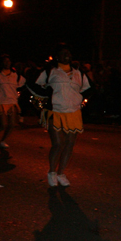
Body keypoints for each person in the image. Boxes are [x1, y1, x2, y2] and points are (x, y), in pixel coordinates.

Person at [29, 45, 91, 187]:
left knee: (69, 144)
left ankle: (61, 173)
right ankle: (51, 172)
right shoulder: (50, 71)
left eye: (68, 53)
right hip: (55, 111)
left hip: (73, 111)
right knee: (57, 144)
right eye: (63, 53)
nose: (66, 55)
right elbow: (33, 84)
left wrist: (79, 97)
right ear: (57, 56)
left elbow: (89, 88)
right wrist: (47, 95)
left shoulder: (78, 73)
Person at [0, 55, 26, 149]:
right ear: (1, 63)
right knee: (3, 124)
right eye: (5, 61)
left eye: (9, 61)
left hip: (12, 102)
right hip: (1, 102)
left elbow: (23, 85)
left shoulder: (16, 76)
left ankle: (3, 140)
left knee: (12, 124)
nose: (7, 63)